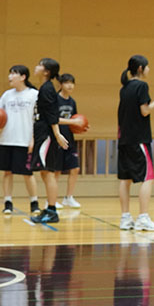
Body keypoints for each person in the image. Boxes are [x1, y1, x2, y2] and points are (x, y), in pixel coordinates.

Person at [117, 54, 154, 231]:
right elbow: (145, 111)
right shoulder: (141, 85)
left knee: (125, 179)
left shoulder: (124, 88)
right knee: (148, 177)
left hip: (124, 138)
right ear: (140, 68)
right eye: (147, 66)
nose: (149, 70)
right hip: (139, 139)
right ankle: (143, 217)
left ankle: (125, 218)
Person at [0, 64, 39, 216]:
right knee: (7, 172)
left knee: (28, 173)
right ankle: (8, 202)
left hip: (25, 140)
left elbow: (37, 119)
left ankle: (34, 202)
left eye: (13, 74)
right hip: (6, 138)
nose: (9, 77)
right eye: (9, 73)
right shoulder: (7, 95)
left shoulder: (34, 94)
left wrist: (33, 139)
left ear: (23, 77)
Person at [28, 58, 67, 224]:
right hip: (41, 134)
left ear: (46, 72)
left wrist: (57, 135)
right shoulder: (45, 88)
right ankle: (50, 208)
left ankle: (52, 210)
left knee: (49, 172)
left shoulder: (47, 89)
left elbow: (52, 115)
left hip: (46, 135)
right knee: (45, 173)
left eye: (39, 65)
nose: (35, 67)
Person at [57, 73, 84, 208]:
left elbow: (75, 121)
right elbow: (53, 119)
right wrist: (72, 121)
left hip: (69, 140)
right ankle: (52, 199)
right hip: (57, 139)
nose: (70, 85)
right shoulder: (55, 100)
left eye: (72, 83)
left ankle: (68, 197)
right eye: (67, 82)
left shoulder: (72, 102)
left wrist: (82, 126)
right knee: (55, 170)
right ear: (61, 84)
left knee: (75, 168)